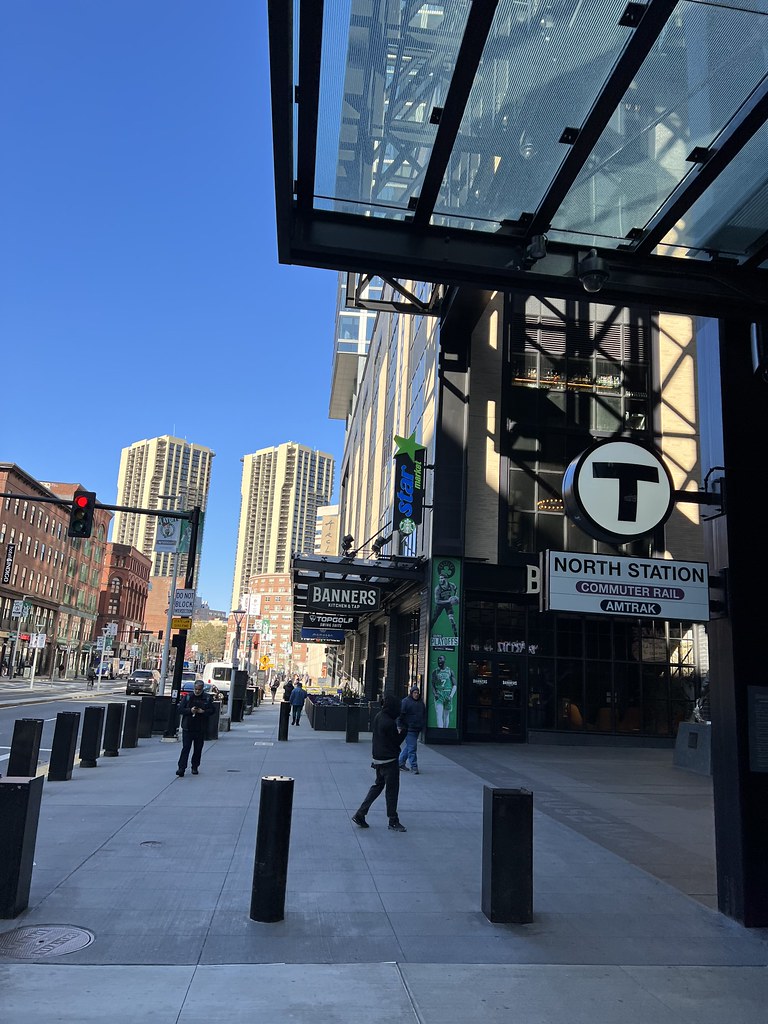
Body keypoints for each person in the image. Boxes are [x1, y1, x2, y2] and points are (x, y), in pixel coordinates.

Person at [351, 694, 408, 832]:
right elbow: (396, 741)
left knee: (377, 786)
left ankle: (360, 813)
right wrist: (404, 730)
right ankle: (393, 820)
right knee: (392, 790)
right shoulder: (389, 722)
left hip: (378, 758)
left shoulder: (379, 716)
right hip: (389, 760)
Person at [176, 680, 215, 777]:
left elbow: (212, 710)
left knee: (198, 749)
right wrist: (190, 710)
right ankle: (181, 768)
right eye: (196, 689)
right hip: (188, 727)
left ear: (202, 689)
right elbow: (180, 709)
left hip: (200, 728)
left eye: (199, 689)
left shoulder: (207, 698)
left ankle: (195, 766)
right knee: (186, 748)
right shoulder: (188, 697)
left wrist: (203, 711)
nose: (197, 691)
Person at [398, 684, 425, 774]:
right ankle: (414, 766)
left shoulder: (421, 703)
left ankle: (400, 763)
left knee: (409, 747)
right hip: (409, 728)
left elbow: (423, 715)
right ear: (411, 693)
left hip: (416, 728)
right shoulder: (406, 702)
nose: (416, 694)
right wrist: (399, 726)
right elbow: (401, 715)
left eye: (417, 693)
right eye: (415, 693)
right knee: (412, 748)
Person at [430, 655, 457, 729]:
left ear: (444, 660)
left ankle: (445, 731)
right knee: (439, 715)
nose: (439, 661)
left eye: (441, 659)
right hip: (439, 694)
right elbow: (432, 684)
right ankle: (440, 732)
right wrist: (435, 694)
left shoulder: (450, 671)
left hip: (448, 694)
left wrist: (451, 696)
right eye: (438, 659)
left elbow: (455, 685)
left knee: (446, 715)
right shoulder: (435, 672)